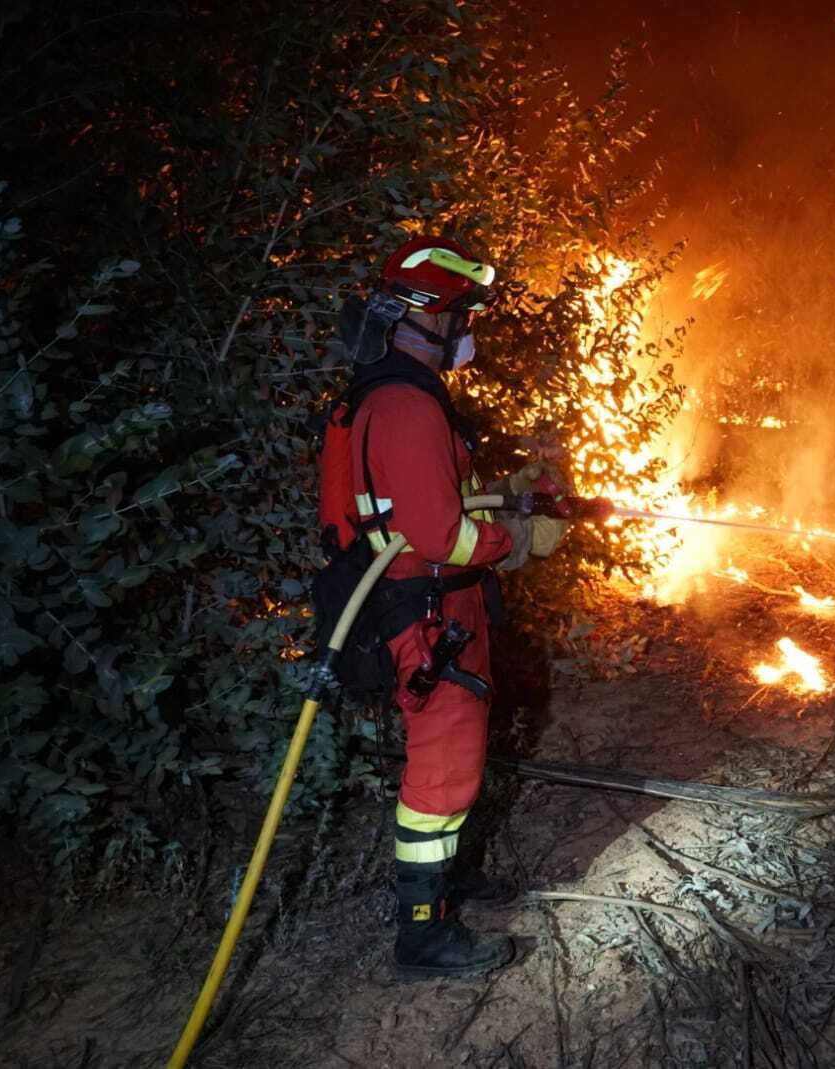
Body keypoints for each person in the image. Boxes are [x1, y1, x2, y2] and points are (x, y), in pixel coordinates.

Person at [342, 235, 567, 979]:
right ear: (427, 317)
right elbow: (442, 531)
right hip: (430, 617)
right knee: (440, 773)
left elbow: (426, 503)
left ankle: (447, 882)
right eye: (462, 313)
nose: (469, 329)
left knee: (458, 762)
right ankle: (422, 933)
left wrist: (509, 488)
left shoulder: (396, 392)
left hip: (440, 606)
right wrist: (514, 537)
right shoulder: (406, 405)